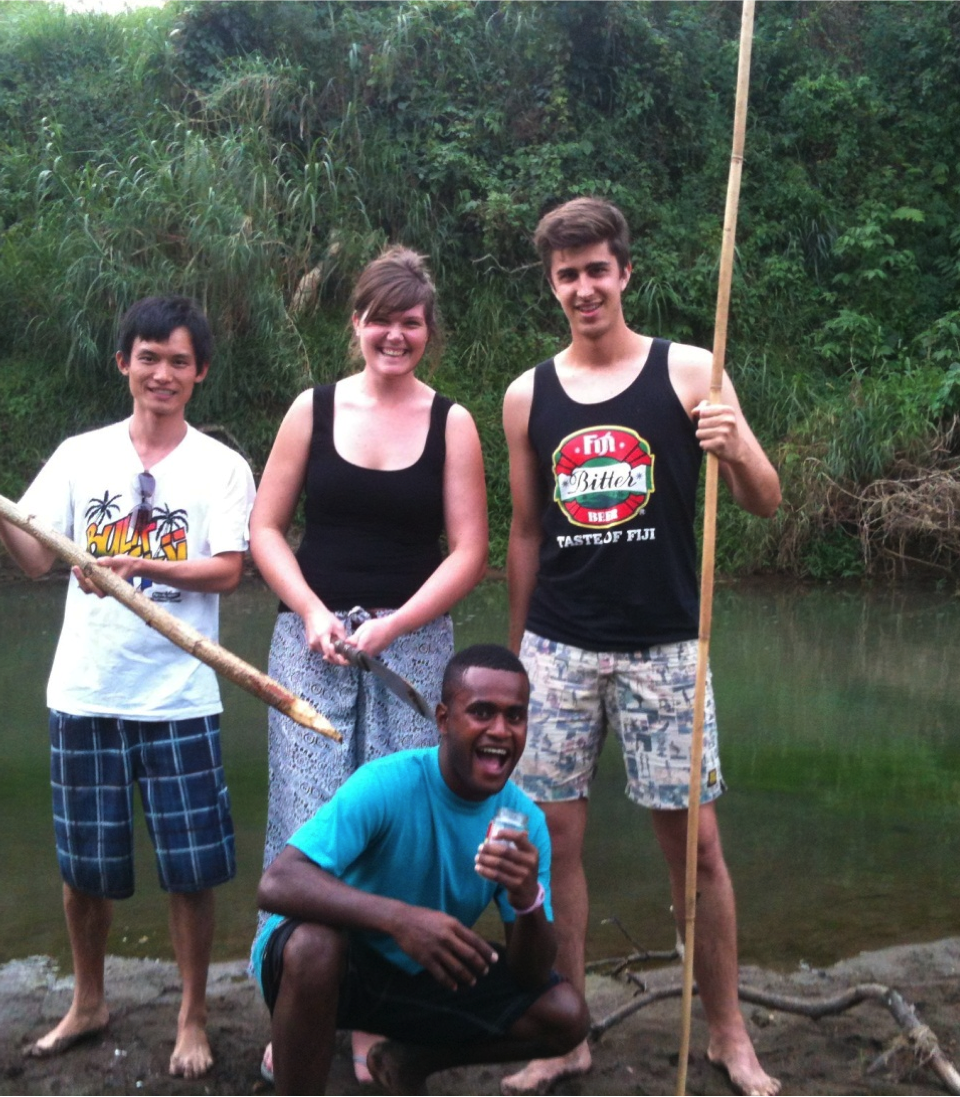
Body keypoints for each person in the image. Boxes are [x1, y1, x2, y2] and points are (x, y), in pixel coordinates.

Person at [500, 198, 783, 1096]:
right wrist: (515, 657)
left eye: (597, 269)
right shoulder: (526, 395)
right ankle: (566, 1030)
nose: (584, 287)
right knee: (552, 843)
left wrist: (735, 449)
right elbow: (525, 533)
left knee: (695, 849)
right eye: (567, 274)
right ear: (552, 286)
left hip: (666, 645)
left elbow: (766, 499)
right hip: (559, 645)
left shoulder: (691, 370)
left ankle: (728, 1032)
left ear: (625, 272)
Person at [0, 296, 254, 1079]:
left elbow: (228, 569)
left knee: (192, 870)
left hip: (179, 696)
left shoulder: (221, 466)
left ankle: (192, 1013)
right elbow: (35, 558)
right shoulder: (80, 456)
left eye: (179, 360)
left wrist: (143, 565)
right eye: (149, 357)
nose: (162, 373)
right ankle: (88, 1000)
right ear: (123, 364)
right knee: (84, 867)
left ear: (200, 372)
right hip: (85, 691)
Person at [248, 245, 488, 1079]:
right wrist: (314, 610)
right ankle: (296, 1003)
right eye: (380, 319)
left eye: (410, 322)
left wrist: (394, 625)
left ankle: (372, 1017)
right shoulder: (310, 409)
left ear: (428, 330)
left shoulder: (452, 421)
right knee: (308, 821)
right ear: (356, 323)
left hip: (411, 648)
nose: (394, 335)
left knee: (400, 823)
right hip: (310, 644)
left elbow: (469, 550)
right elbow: (265, 529)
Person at [253, 644, 590, 1096]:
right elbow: (278, 882)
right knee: (314, 945)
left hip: (419, 973)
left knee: (565, 1014)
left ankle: (407, 1061)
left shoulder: (524, 822)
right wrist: (400, 920)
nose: (500, 730)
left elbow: (529, 977)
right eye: (482, 712)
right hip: (336, 966)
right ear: (443, 719)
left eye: (515, 716)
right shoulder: (387, 783)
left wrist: (527, 898)